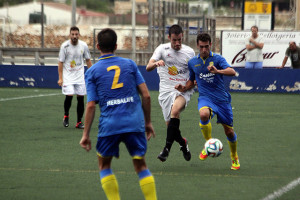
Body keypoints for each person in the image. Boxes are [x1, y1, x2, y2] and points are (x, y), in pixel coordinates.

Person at [79, 28, 157, 200]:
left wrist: (85, 134)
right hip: (134, 123)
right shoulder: (129, 64)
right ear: (116, 46)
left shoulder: (92, 72)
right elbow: (146, 95)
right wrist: (148, 122)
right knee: (141, 165)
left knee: (104, 165)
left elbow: (91, 105)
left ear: (97, 46)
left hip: (110, 126)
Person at [175, 33, 240, 170]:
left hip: (222, 100)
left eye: (206, 46)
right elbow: (192, 81)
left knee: (229, 132)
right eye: (201, 47)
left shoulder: (217, 59)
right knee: (203, 114)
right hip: (205, 98)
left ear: (210, 45)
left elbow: (232, 72)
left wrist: (217, 71)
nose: (204, 49)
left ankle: (234, 156)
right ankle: (209, 144)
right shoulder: (193, 62)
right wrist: (184, 88)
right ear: (198, 46)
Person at [146, 24, 195, 162]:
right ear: (169, 38)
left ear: (182, 37)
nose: (177, 43)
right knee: (171, 128)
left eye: (179, 40)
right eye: (174, 40)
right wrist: (156, 63)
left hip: (183, 90)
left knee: (175, 112)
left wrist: (187, 86)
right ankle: (183, 143)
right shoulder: (162, 49)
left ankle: (166, 149)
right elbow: (148, 66)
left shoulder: (190, 52)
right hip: (166, 91)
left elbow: (194, 74)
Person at [58, 26, 92, 129]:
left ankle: (79, 122)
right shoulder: (65, 46)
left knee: (81, 98)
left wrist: (92, 74)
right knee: (69, 95)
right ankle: (66, 115)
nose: (74, 36)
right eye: (72, 34)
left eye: (76, 34)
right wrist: (60, 78)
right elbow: (60, 62)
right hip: (68, 76)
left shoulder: (83, 45)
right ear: (70, 35)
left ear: (79, 35)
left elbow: (88, 60)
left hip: (80, 76)